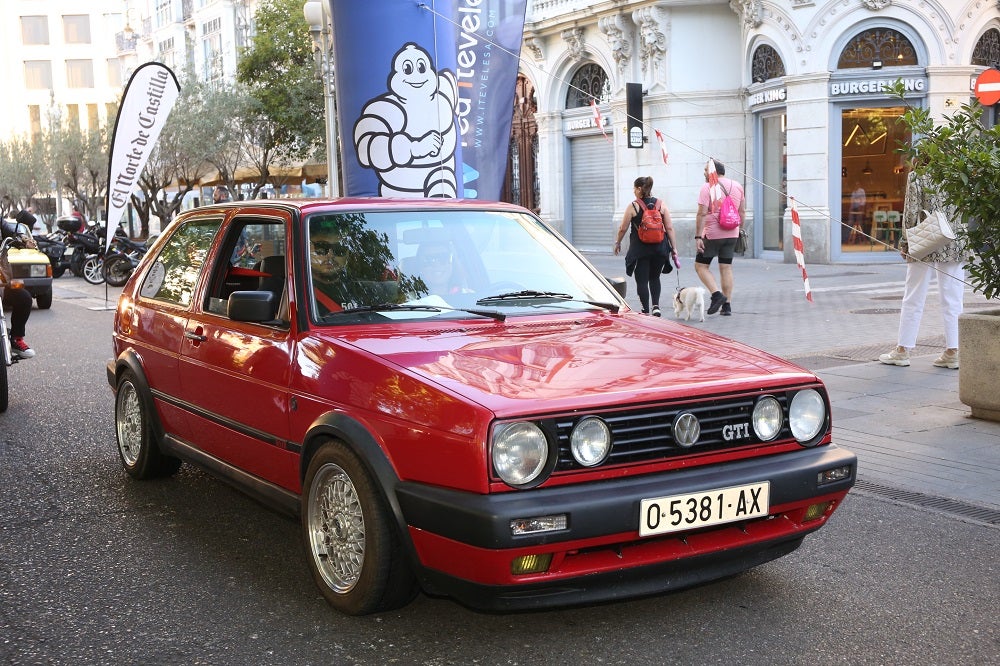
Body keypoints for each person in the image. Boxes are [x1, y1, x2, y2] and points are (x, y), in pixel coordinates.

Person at [878, 167, 967, 369]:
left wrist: (905, 243)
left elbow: (911, 211)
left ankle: (903, 350)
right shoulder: (959, 170)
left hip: (926, 239)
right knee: (953, 298)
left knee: (914, 295)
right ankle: (953, 351)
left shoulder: (919, 175)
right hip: (955, 241)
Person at [614, 176, 677, 316]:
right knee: (655, 277)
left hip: (640, 250)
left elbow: (622, 228)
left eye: (634, 188)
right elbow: (670, 228)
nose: (633, 191)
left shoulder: (633, 205)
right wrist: (674, 248)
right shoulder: (661, 204)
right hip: (660, 248)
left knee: (641, 280)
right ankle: (656, 306)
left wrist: (617, 242)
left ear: (639, 189)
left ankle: (645, 311)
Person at [694, 159, 745, 316]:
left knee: (701, 266)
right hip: (732, 232)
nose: (704, 173)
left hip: (712, 233)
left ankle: (716, 295)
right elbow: (742, 211)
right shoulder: (737, 185)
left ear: (712, 172)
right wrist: (739, 230)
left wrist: (698, 236)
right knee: (726, 267)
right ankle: (727, 306)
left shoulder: (707, 187)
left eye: (705, 170)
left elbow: (702, 213)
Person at [1, 217, 37, 359]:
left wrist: (24, 240)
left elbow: (11, 232)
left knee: (24, 298)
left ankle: (16, 339)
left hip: (2, 280)